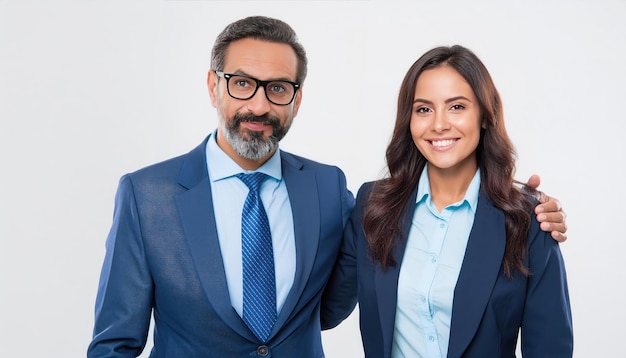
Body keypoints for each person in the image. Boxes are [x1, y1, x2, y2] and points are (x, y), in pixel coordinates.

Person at [87, 16, 568, 357]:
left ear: (296, 99)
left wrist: (532, 207)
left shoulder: (328, 189)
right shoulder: (147, 195)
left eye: (277, 88)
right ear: (213, 87)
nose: (259, 104)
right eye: (241, 83)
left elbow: (333, 299)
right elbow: (113, 344)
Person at [322, 45, 573, 357]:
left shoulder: (527, 219)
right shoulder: (372, 205)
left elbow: (550, 348)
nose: (438, 124)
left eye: (456, 107)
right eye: (424, 109)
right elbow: (324, 310)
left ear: (485, 115)